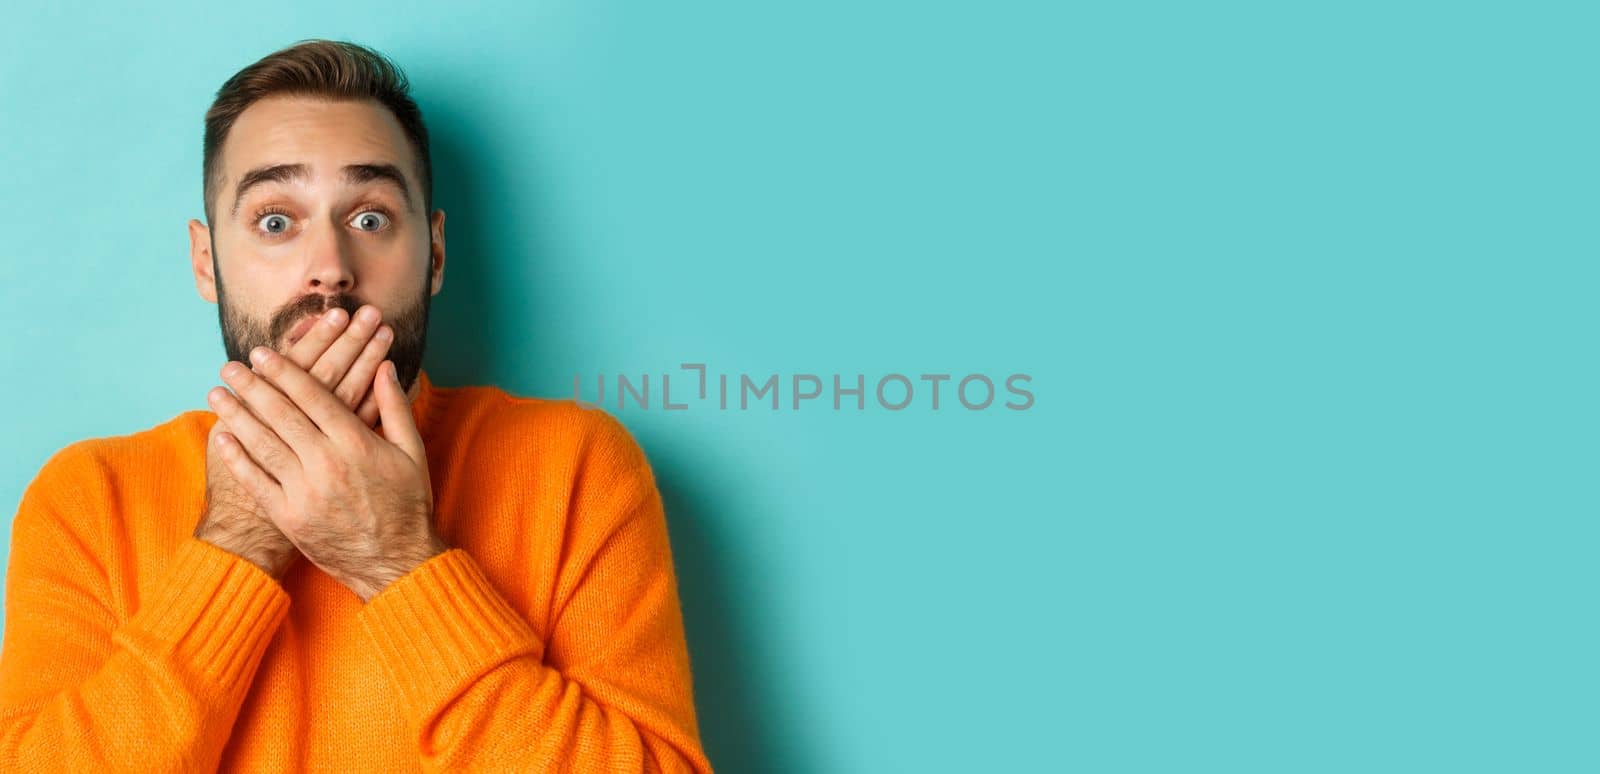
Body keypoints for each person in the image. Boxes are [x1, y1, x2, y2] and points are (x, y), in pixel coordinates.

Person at [0, 38, 713, 772]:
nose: (330, 272)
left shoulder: (576, 466)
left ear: (433, 254)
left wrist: (398, 563)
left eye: (370, 218)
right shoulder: (88, 497)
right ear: (206, 261)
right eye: (276, 221)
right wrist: (237, 543)